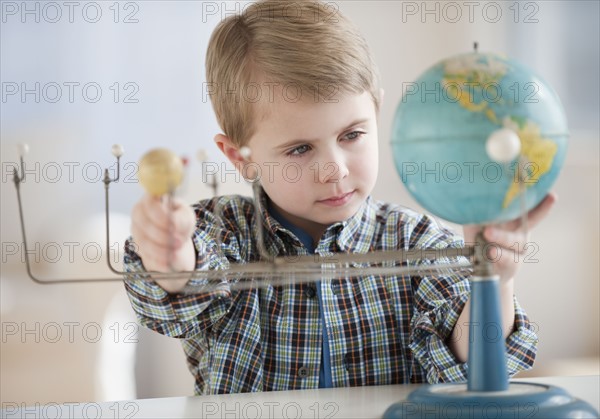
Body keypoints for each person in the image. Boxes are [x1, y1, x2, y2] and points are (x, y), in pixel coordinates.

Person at [124, 0, 555, 394]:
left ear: (378, 112)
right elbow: (178, 296)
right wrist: (171, 256)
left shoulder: (416, 239)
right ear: (242, 158)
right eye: (299, 149)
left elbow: (470, 368)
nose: (336, 169)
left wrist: (494, 281)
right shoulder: (225, 234)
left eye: (352, 134)